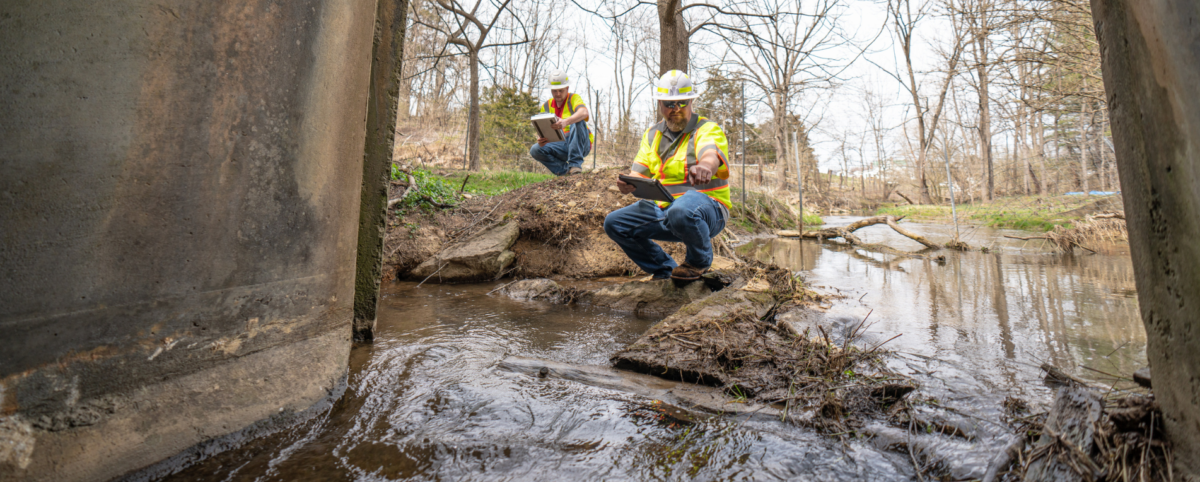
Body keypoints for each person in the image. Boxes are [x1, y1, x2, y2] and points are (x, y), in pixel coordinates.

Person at [604, 70, 733, 281]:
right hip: (667, 210)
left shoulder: (707, 129)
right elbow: (640, 170)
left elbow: (710, 154)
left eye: (681, 103)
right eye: (669, 104)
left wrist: (706, 167)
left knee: (682, 209)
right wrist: (629, 181)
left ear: (691, 101)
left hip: (709, 211)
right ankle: (664, 269)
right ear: (660, 105)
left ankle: (698, 263)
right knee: (614, 223)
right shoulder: (652, 134)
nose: (675, 109)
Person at [529, 70, 593, 175]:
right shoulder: (546, 106)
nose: (558, 94)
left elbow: (584, 113)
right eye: (554, 91)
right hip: (560, 145)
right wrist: (541, 139)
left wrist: (566, 122)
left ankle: (575, 165)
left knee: (577, 121)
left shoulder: (573, 98)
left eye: (561, 90)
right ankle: (566, 172)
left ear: (567, 88)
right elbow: (543, 129)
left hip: (581, 145)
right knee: (535, 149)